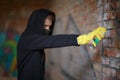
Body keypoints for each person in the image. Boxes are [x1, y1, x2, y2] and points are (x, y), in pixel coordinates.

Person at [17, 9, 106, 80]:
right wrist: (82, 38)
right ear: (36, 24)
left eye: (49, 27)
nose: (47, 29)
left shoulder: (34, 39)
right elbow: (53, 40)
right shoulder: (28, 39)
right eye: (45, 26)